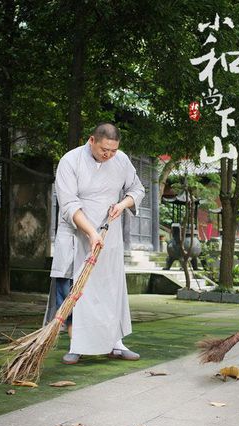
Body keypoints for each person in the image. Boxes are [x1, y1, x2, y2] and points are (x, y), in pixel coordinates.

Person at [46, 122, 145, 364]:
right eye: (104, 150)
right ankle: (75, 344)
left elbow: (137, 189)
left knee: (110, 290)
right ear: (92, 140)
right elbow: (69, 204)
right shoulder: (70, 161)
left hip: (108, 237)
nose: (108, 155)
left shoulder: (121, 160)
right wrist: (90, 233)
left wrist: (122, 205)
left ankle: (115, 343)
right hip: (76, 236)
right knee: (73, 290)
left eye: (113, 151)